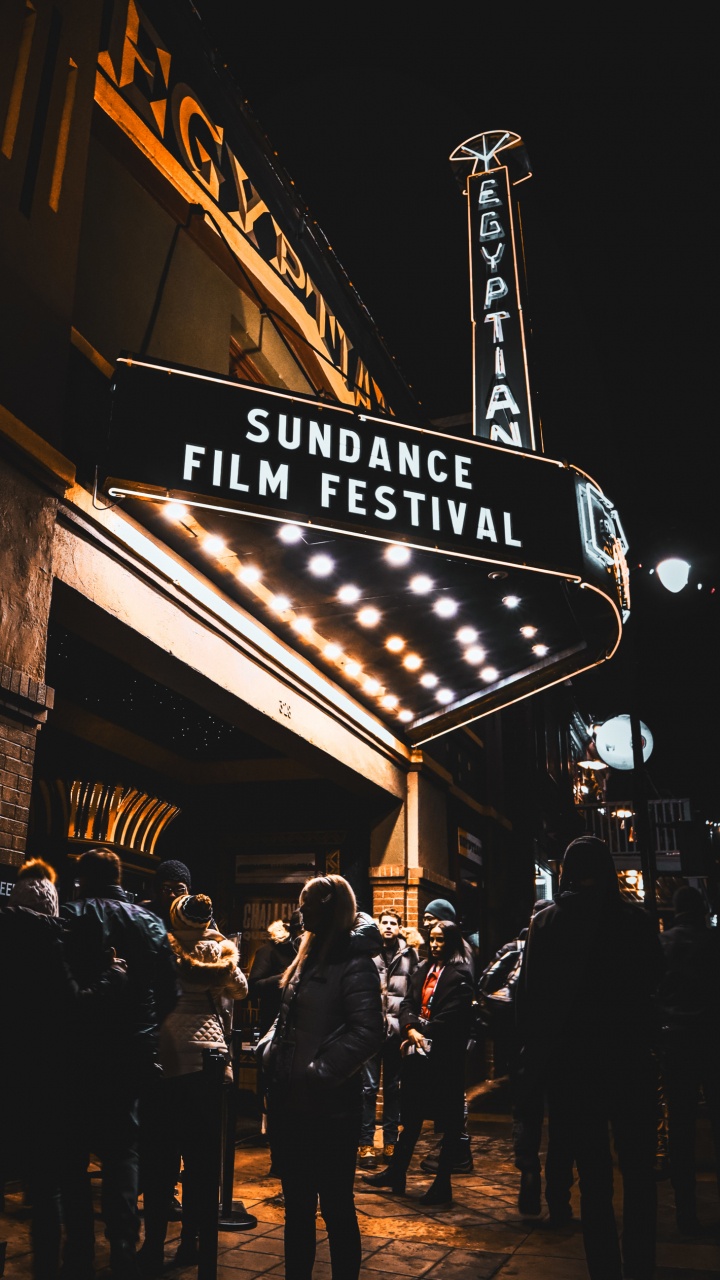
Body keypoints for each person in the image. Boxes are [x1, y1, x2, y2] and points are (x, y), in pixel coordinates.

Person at [517, 836, 663, 1280]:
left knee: (594, 1179)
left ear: (566, 870)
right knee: (639, 1175)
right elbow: (656, 987)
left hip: (573, 1070)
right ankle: (640, 1265)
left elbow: (529, 1001)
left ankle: (604, 1269)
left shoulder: (548, 924)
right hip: (630, 1063)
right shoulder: (637, 922)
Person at [0, 860, 127, 1280]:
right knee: (50, 1182)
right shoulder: (48, 944)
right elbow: (74, 1007)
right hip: (43, 1079)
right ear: (53, 907)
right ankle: (52, 1270)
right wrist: (112, 976)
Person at [60, 849, 178, 1280]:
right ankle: (124, 1248)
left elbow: (59, 989)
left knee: (71, 1152)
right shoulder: (148, 922)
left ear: (82, 880)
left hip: (79, 1050)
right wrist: (147, 1027)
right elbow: (171, 989)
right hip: (132, 1050)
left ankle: (78, 1249)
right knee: (122, 1151)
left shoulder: (70, 915)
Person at [258, 874, 384, 1280]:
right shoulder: (308, 954)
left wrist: (320, 1073)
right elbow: (287, 1017)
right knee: (297, 1208)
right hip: (292, 1105)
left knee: (334, 1206)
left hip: (329, 1111)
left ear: (329, 907)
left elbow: (368, 1031)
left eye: (307, 902)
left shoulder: (355, 962)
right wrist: (269, 1051)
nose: (300, 911)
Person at [139, 893, 250, 1274]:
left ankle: (152, 1245)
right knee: (202, 1163)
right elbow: (241, 990)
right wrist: (216, 940)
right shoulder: (219, 952)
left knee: (159, 1161)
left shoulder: (163, 947)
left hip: (166, 1060)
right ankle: (192, 1244)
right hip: (209, 1064)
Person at [363, 918, 475, 1206]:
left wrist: (419, 1030)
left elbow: (452, 1016)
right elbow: (408, 1003)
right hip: (417, 1055)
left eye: (441, 940)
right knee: (410, 1119)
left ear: (451, 941)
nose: (435, 945)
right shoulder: (423, 967)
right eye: (433, 939)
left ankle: (442, 1184)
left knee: (449, 1123)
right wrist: (410, 1027)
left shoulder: (460, 972)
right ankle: (396, 1172)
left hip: (444, 1059)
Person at [657, 884, 720, 1234]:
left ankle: (686, 1211)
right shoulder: (715, 942)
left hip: (676, 1041)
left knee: (680, 1126)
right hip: (713, 1038)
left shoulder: (663, 943)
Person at [358, 911, 418, 1169]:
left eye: (394, 923)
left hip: (396, 1034)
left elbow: (413, 994)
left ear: (399, 928)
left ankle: (391, 1142)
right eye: (385, 923)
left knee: (393, 1090)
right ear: (378, 926)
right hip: (371, 1032)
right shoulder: (367, 954)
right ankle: (366, 1143)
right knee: (368, 1090)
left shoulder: (409, 956)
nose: (389, 927)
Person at [248, 918, 297, 1035]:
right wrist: (286, 976)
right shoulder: (268, 951)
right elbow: (253, 987)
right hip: (273, 1023)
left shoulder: (304, 950)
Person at [139, 859, 192, 929]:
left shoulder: (198, 917)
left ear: (188, 891)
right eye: (166, 888)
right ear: (158, 890)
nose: (172, 895)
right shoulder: (143, 913)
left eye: (179, 889)